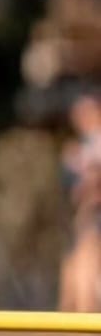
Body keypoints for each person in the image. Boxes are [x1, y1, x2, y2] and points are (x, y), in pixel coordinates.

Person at [59, 92, 101, 313]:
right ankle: (72, 308)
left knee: (88, 257)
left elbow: (93, 179)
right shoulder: (82, 145)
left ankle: (85, 311)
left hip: (93, 210)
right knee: (76, 258)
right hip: (82, 210)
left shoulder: (95, 142)